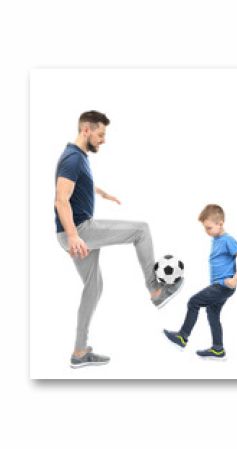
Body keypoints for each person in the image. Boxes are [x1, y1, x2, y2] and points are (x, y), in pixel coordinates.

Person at [54, 110, 183, 368]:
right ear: (86, 130)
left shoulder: (78, 156)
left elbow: (79, 184)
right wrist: (73, 236)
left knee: (94, 288)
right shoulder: (72, 158)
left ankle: (79, 352)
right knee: (141, 230)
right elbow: (61, 199)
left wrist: (101, 193)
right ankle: (156, 290)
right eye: (101, 134)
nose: (104, 140)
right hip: (80, 231)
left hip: (75, 233)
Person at [163, 204, 237, 359]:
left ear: (220, 223)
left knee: (194, 302)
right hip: (219, 286)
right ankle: (218, 349)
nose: (206, 231)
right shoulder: (216, 239)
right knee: (212, 312)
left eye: (209, 228)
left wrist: (235, 279)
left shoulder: (228, 240)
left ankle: (183, 336)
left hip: (223, 286)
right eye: (205, 228)